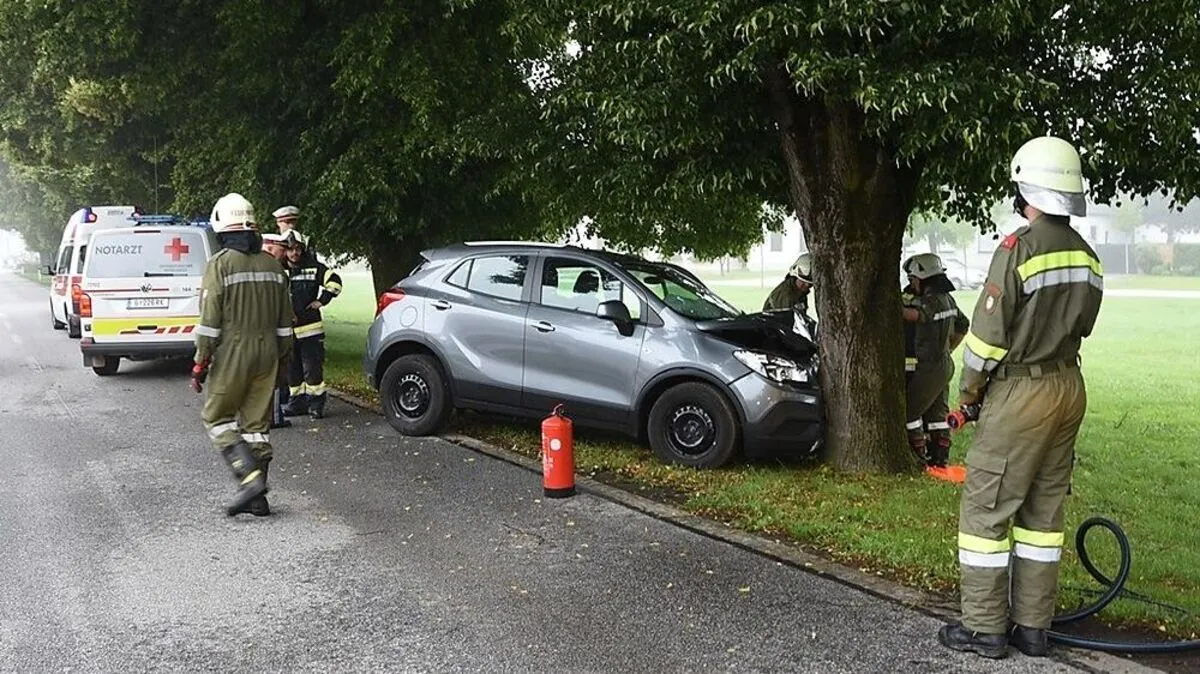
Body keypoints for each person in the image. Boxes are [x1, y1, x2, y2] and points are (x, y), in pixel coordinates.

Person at [938, 136, 1104, 659]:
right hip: (1068, 387)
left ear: (1028, 189)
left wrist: (969, 397)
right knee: (1043, 512)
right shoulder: (1089, 255)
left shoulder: (1018, 248)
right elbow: (1084, 324)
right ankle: (1033, 629)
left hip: (1022, 391)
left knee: (986, 511)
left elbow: (985, 342)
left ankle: (985, 629)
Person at [192, 193, 294, 517]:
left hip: (234, 351)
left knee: (217, 417)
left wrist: (200, 362)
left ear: (222, 226)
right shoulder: (274, 266)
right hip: (268, 354)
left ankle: (249, 480)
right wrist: (283, 361)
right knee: (256, 426)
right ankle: (258, 498)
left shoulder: (219, 265)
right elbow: (285, 324)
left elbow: (209, 322)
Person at [901, 253, 968, 467]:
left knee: (910, 410)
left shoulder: (930, 301)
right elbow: (963, 325)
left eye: (912, 280)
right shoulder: (948, 299)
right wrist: (948, 347)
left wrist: (890, 303)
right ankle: (940, 458)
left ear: (922, 277)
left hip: (929, 367)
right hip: (944, 364)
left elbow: (915, 316)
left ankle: (918, 456)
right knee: (938, 413)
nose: (911, 284)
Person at [279, 231, 343, 419]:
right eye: (290, 250)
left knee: (312, 368)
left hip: (310, 329)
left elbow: (335, 283)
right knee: (292, 369)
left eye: (297, 249)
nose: (294, 253)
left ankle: (316, 404)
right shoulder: (278, 269)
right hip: (288, 330)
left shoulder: (314, 267)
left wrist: (321, 300)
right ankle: (296, 403)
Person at [262, 232, 295, 429]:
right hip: (271, 333)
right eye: (282, 249)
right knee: (272, 378)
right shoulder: (275, 271)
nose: (285, 254)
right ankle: (274, 417)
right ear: (270, 247)